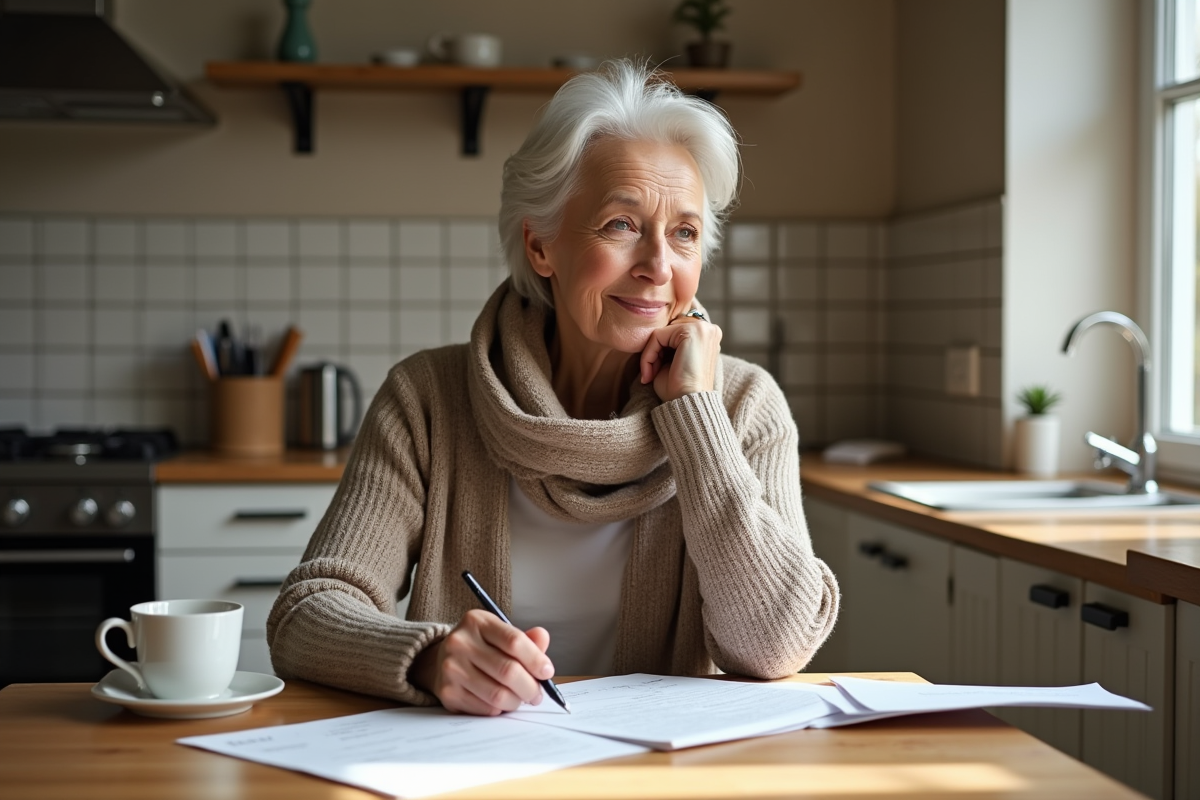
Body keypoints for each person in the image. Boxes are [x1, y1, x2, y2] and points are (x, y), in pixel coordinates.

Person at [266, 59, 839, 716]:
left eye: (684, 233)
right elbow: (304, 616)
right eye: (621, 225)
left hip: (659, 775)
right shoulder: (427, 398)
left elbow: (774, 647)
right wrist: (426, 658)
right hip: (470, 771)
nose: (658, 266)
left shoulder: (743, 406)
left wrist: (695, 414)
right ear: (541, 247)